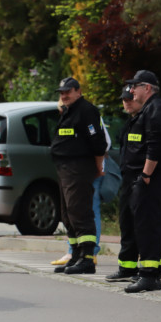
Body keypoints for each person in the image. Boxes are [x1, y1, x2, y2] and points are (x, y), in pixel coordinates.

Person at [113, 70, 161, 293]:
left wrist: (146, 175)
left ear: (147, 88)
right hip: (147, 177)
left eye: (135, 86)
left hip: (153, 178)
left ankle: (150, 275)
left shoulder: (156, 109)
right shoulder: (151, 109)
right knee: (143, 223)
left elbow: (155, 145)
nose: (131, 91)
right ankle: (148, 271)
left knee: (149, 224)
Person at [51, 77, 109, 275]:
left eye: (68, 91)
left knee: (79, 211)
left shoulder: (86, 110)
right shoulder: (69, 111)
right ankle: (75, 254)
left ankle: (87, 257)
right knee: (67, 213)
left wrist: (99, 166)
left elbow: (98, 141)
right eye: (61, 92)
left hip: (79, 168)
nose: (64, 95)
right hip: (65, 168)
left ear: (78, 91)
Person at [107, 85, 144, 282]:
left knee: (140, 224)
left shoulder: (145, 120)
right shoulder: (129, 123)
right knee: (126, 222)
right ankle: (127, 267)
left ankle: (146, 270)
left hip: (141, 179)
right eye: (124, 99)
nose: (126, 102)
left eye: (130, 98)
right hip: (127, 179)